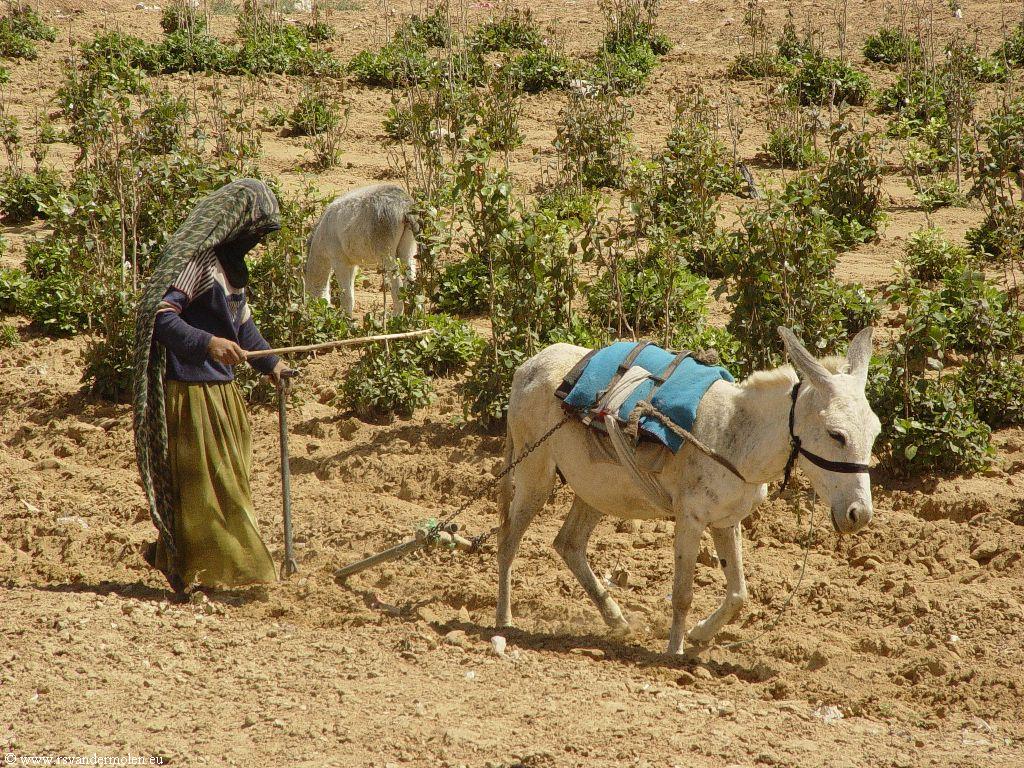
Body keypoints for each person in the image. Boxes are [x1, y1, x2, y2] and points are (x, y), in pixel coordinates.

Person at [133, 179, 290, 593]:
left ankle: (191, 563)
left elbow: (242, 326)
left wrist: (271, 365)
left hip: (223, 393)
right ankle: (240, 571)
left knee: (229, 481)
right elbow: (162, 316)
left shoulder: (232, 271)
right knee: (212, 488)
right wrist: (208, 343)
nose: (255, 242)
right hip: (191, 389)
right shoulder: (198, 263)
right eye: (254, 233)